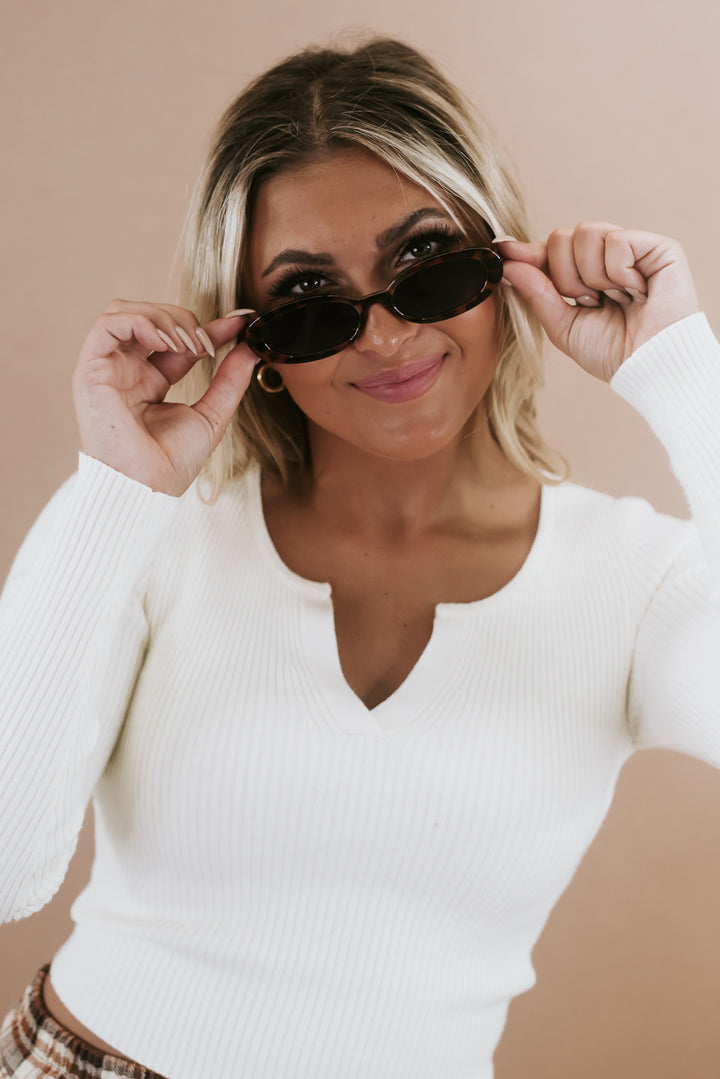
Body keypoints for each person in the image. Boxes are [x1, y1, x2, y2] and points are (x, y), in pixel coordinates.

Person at [0, 35, 718, 1079]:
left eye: (428, 265)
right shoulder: (155, 530)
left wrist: (681, 369)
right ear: (258, 342)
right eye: (310, 301)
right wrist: (115, 492)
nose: (382, 338)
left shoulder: (633, 582)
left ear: (502, 265)